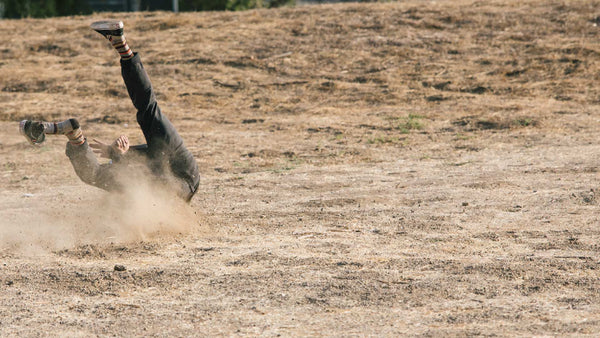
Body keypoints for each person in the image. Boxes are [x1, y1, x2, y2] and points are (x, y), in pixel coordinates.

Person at [19, 20, 200, 202]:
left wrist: (119, 155)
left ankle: (73, 135)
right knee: (146, 116)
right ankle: (120, 43)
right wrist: (120, 155)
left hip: (178, 167)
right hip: (181, 175)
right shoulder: (171, 198)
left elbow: (148, 169)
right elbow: (149, 173)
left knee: (148, 109)